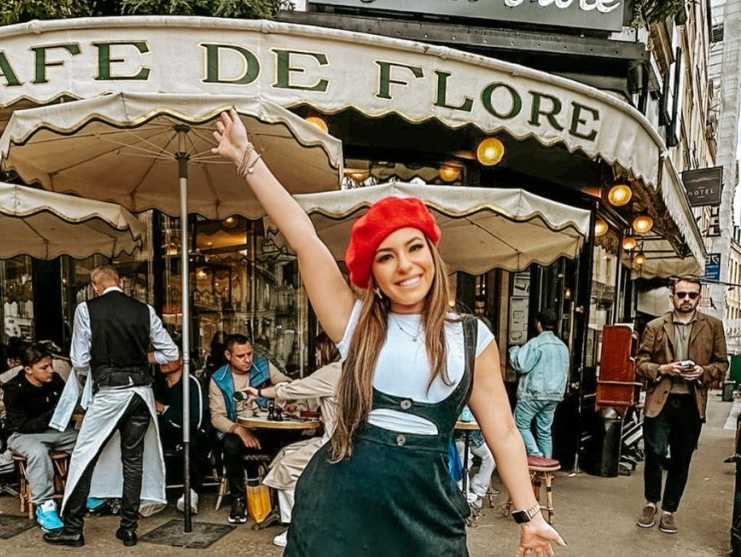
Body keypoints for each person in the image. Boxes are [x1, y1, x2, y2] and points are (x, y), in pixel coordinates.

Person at [211, 109, 564, 556]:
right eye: (386, 256)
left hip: (425, 517)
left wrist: (530, 517)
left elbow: (505, 434)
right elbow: (303, 236)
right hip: (340, 511)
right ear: (373, 275)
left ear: (432, 255)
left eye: (414, 248)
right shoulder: (356, 323)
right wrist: (246, 156)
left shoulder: (473, 338)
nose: (404, 265)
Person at [45, 264, 179, 548]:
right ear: (121, 282)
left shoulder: (86, 309)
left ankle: (73, 528)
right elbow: (171, 352)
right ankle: (128, 529)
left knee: (84, 456)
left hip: (110, 392)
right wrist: (142, 359)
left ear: (95, 287)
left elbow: (79, 361)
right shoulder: (144, 310)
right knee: (133, 461)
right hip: (141, 394)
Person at [635, 276, 727, 534]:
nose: (686, 299)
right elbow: (640, 364)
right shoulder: (655, 326)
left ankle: (669, 510)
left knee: (681, 457)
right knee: (654, 453)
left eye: (692, 295)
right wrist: (663, 369)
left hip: (691, 402)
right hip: (660, 401)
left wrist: (703, 372)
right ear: (672, 296)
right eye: (681, 294)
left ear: (699, 297)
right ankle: (651, 502)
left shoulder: (713, 326)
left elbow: (722, 364)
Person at [243, 332, 341, 547]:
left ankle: (296, 527)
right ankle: (290, 515)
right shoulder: (347, 369)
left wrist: (259, 392)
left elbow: (292, 389)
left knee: (286, 468)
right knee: (284, 453)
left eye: (317, 350)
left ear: (327, 350)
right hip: (336, 439)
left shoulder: (332, 372)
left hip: (335, 444)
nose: (315, 355)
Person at [208, 333, 290, 524]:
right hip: (238, 430)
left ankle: (283, 499)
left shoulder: (262, 366)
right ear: (228, 356)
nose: (247, 360)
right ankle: (238, 499)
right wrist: (239, 429)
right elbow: (217, 417)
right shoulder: (219, 379)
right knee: (230, 444)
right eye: (240, 356)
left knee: (290, 437)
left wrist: (284, 399)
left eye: (249, 354)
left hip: (267, 428)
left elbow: (285, 383)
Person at [3, 342, 78, 533]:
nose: (51, 370)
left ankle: (89, 491)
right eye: (44, 367)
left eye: (50, 365)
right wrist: (53, 413)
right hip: (22, 434)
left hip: (54, 431)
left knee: (86, 441)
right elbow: (22, 426)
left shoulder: (55, 380)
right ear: (28, 369)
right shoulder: (14, 389)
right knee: (38, 452)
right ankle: (44, 505)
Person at [508, 308, 569, 467]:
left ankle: (535, 455)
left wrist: (514, 350)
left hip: (533, 394)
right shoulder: (563, 346)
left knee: (520, 424)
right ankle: (547, 465)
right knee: (544, 430)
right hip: (554, 395)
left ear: (539, 324)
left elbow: (521, 365)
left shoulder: (536, 344)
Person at [154, 357, 208, 514]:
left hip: (191, 435)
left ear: (182, 360)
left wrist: (165, 410)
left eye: (169, 356)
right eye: (160, 356)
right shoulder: (158, 385)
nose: (163, 361)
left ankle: (191, 492)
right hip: (164, 434)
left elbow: (196, 421)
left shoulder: (191, 383)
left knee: (190, 439)